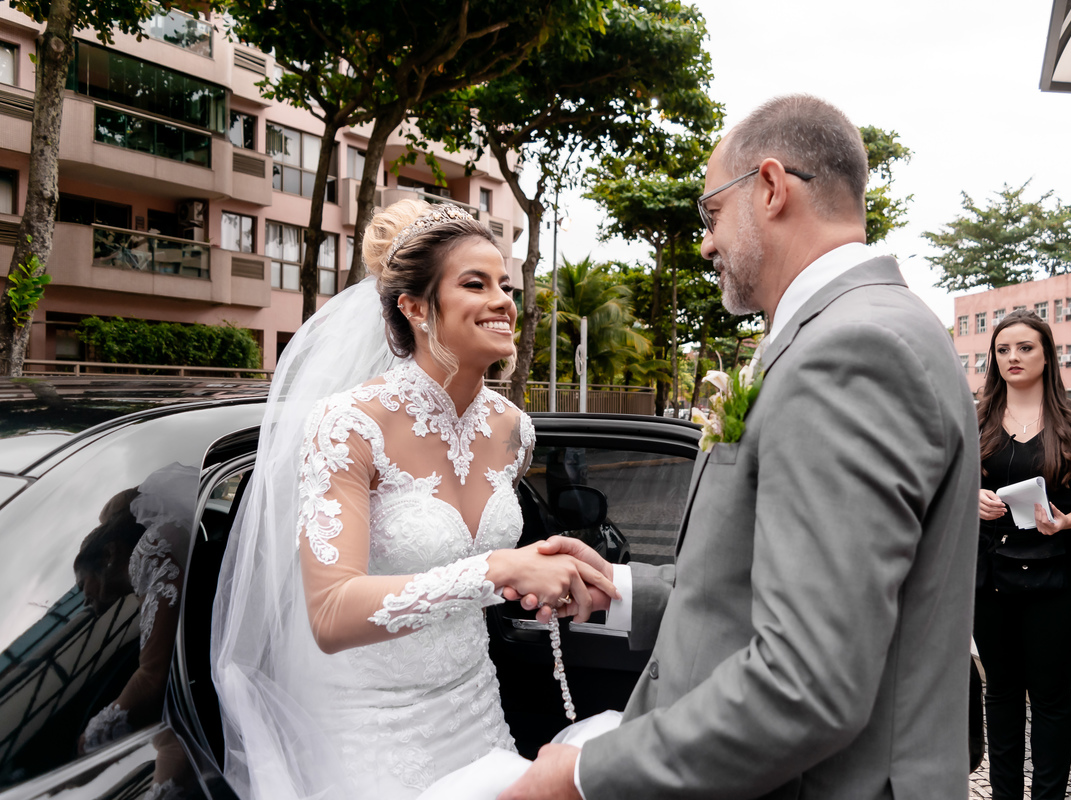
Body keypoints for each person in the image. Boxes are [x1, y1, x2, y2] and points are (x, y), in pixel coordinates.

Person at [500, 93, 981, 800]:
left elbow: (806, 684)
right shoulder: (856, 330)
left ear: (771, 186)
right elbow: (763, 585)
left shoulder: (851, 351)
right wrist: (618, 587)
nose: (705, 242)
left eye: (711, 213)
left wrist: (576, 776)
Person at [211, 199, 617, 800]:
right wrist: (499, 567)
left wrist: (540, 576)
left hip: (476, 709)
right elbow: (330, 614)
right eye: (475, 283)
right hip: (368, 731)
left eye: (504, 283)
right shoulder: (348, 426)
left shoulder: (513, 431)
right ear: (416, 307)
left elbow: (481, 573)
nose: (503, 299)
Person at [973, 310, 1071, 800]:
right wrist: (972, 499)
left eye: (1026, 347)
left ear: (1048, 353)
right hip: (988, 571)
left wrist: (1068, 519)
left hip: (1061, 572)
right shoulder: (976, 417)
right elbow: (943, 489)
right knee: (1002, 694)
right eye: (1004, 348)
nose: (1013, 357)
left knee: (1051, 699)